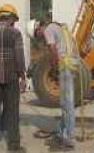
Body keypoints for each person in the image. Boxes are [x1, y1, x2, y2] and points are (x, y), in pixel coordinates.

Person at [30, 19, 80, 151]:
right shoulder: (58, 26)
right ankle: (62, 134)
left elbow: (53, 50)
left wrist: (53, 68)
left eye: (37, 34)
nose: (40, 37)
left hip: (66, 66)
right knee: (65, 103)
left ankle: (68, 139)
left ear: (37, 28)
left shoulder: (48, 30)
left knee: (67, 104)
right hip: (72, 64)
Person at [0, 4, 26, 153]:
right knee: (12, 112)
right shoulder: (15, 33)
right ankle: (13, 146)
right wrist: (23, 76)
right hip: (11, 79)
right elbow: (19, 57)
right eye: (14, 19)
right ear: (11, 18)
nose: (15, 22)